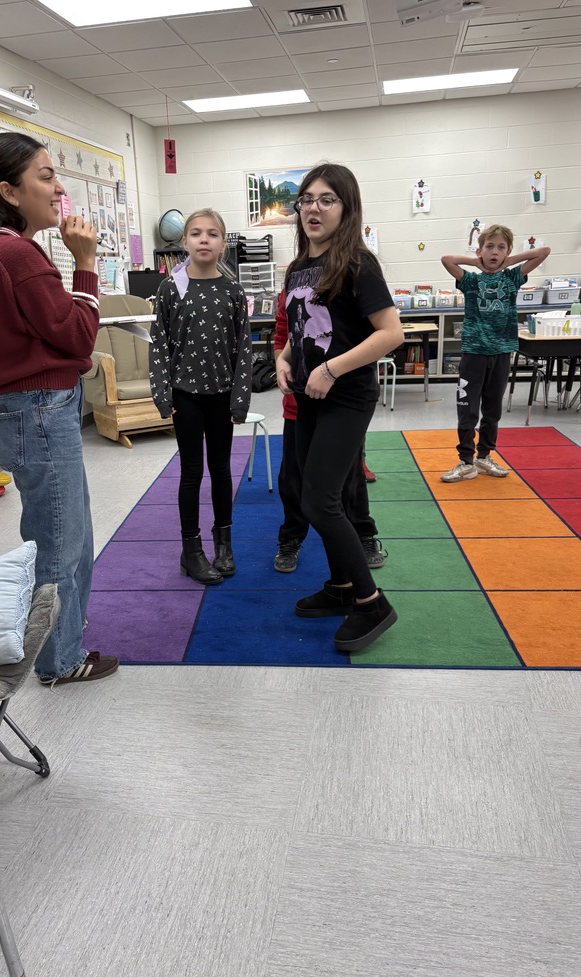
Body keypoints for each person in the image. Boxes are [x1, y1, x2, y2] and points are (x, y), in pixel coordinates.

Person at [0, 132, 119, 685]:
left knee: (67, 534)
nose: (58, 187)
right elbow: (75, 334)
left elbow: (46, 339)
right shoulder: (15, 252)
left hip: (31, 409)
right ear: (9, 191)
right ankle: (59, 660)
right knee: (61, 543)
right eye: (45, 175)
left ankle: (63, 641)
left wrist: (70, 360)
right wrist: (86, 263)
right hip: (40, 412)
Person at [275, 164, 404, 653]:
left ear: (346, 208)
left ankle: (371, 602)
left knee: (322, 502)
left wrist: (331, 370)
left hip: (345, 397)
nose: (313, 208)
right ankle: (343, 586)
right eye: (307, 199)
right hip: (308, 395)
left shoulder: (358, 263)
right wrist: (287, 359)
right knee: (312, 496)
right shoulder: (296, 269)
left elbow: (391, 334)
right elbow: (300, 331)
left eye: (327, 199)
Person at [149, 208, 252, 585]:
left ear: (223, 244)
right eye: (196, 233)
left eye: (212, 234)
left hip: (222, 396)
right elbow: (158, 344)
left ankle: (223, 543)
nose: (203, 239)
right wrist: (163, 394)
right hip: (186, 397)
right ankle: (190, 550)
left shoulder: (233, 290)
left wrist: (240, 399)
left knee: (222, 471)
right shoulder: (169, 289)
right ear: (184, 242)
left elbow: (243, 347)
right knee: (192, 472)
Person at [272, 288, 387, 573]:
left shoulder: (348, 281)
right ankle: (291, 538)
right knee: (294, 477)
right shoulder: (292, 287)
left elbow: (379, 334)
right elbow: (283, 336)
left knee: (351, 477)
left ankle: (363, 534)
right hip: (300, 404)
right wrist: (282, 363)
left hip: (341, 406)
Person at [440, 227, 551, 482]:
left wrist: (509, 261)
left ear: (508, 252)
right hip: (474, 353)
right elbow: (447, 260)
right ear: (480, 250)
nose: (495, 252)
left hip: (501, 352)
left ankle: (484, 456)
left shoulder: (512, 278)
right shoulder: (470, 280)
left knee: (493, 409)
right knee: (467, 408)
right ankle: (466, 461)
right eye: (489, 246)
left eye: (501, 248)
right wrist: (476, 261)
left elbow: (544, 251)